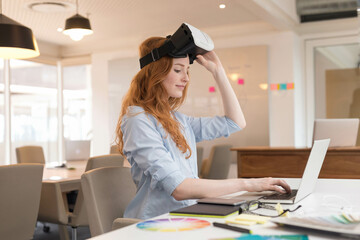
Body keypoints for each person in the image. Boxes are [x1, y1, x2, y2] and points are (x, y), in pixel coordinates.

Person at [115, 36, 291, 220]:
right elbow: (179, 188)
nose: (186, 78)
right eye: (178, 70)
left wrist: (218, 72)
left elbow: (235, 122)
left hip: (186, 217)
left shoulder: (178, 120)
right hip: (155, 223)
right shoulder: (137, 119)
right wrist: (249, 184)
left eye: (188, 70)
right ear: (154, 73)